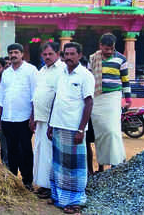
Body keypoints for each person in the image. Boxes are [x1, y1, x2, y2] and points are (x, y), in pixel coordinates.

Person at [47, 42, 95, 214]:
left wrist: (81, 129)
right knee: (58, 164)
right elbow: (56, 99)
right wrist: (50, 125)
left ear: (80, 55)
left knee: (74, 167)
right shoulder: (61, 74)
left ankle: (75, 201)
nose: (68, 57)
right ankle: (59, 197)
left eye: (72, 54)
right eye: (66, 54)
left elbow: (89, 102)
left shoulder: (85, 75)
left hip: (74, 128)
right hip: (58, 125)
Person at [0, 43, 37, 191]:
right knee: (11, 150)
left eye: (15, 52)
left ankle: (27, 181)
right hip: (8, 118)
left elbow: (34, 96)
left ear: (22, 54)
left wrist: (33, 117)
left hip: (24, 119)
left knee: (25, 150)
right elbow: (1, 96)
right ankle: (13, 181)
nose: (13, 55)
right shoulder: (6, 73)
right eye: (10, 53)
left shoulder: (31, 70)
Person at [89, 33, 130, 172]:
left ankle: (117, 161)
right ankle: (102, 164)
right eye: (106, 49)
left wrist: (128, 98)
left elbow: (125, 79)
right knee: (100, 133)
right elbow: (88, 78)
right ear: (100, 46)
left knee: (112, 131)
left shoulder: (121, 59)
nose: (108, 52)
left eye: (111, 49)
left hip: (113, 97)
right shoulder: (93, 58)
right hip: (97, 98)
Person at [30, 42, 64, 199]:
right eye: (45, 55)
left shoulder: (62, 70)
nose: (47, 57)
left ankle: (52, 187)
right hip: (40, 119)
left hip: (54, 121)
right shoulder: (41, 71)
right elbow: (36, 95)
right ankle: (44, 184)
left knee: (51, 154)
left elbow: (59, 97)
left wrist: (52, 122)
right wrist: (32, 117)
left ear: (57, 53)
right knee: (40, 153)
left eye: (50, 54)